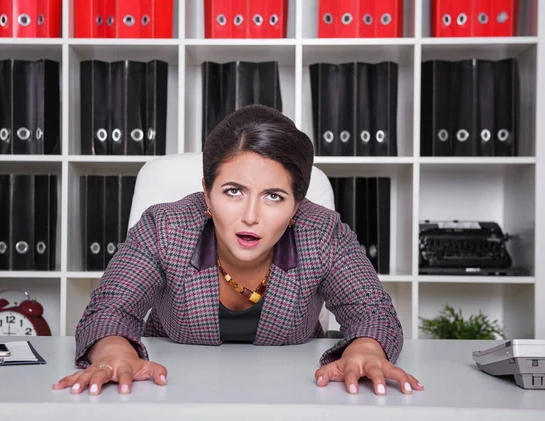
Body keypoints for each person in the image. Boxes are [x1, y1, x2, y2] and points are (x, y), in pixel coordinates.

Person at [53, 104, 423, 397]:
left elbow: (372, 310)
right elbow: (110, 308)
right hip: (172, 394)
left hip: (292, 397)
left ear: (296, 206)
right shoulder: (165, 228)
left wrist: (367, 349)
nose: (250, 216)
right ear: (207, 193)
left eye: (274, 197)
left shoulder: (322, 232)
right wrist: (114, 352)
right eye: (233, 191)